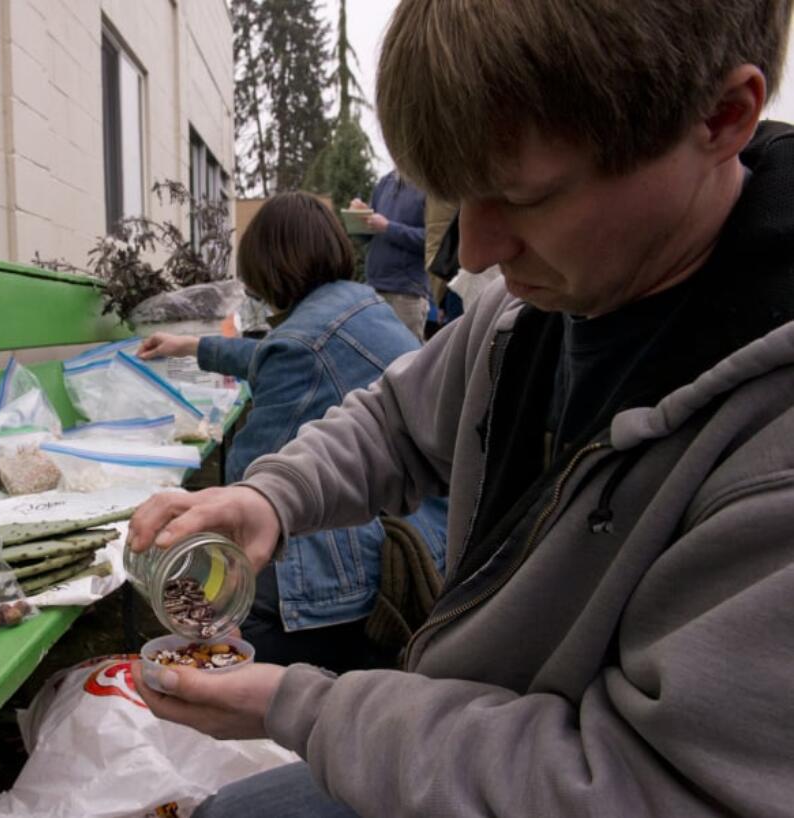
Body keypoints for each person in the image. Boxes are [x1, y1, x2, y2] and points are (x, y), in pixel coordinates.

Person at [126, 0, 794, 815]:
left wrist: (297, 705)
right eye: (455, 200)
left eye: (525, 197)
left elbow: (645, 786)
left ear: (723, 117)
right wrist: (271, 495)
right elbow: (396, 419)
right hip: (458, 729)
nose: (475, 253)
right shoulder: (534, 310)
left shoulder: (770, 443)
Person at [138, 192, 447, 671]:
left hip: (380, 563)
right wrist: (191, 345)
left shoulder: (302, 344)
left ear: (267, 268)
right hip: (434, 530)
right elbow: (268, 353)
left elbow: (248, 487)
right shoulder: (356, 303)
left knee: (241, 599)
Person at [350, 171, 426, 340]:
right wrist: (358, 218)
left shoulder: (428, 182)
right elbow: (367, 235)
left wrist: (388, 228)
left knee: (407, 361)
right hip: (374, 289)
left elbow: (432, 241)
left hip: (407, 294)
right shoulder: (385, 182)